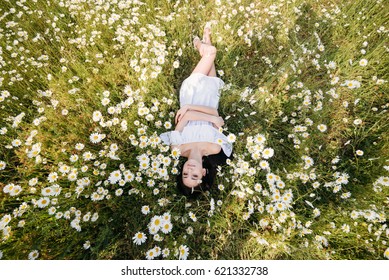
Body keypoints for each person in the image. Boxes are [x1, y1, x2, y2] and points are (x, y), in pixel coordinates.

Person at [160, 23, 233, 196]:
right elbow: (215, 114)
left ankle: (198, 44)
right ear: (203, 173)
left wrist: (191, 108)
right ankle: (206, 41)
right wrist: (211, 117)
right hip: (209, 100)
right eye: (194, 175)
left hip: (191, 96)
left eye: (185, 174)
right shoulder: (215, 148)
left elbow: (188, 117)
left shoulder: (177, 148)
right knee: (211, 74)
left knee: (211, 53)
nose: (190, 170)